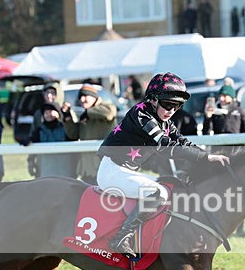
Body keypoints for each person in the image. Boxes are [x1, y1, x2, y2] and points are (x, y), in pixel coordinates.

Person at [96, 72, 229, 256]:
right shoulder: (141, 112)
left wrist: (207, 156)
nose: (171, 111)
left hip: (125, 171)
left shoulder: (164, 121)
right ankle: (121, 238)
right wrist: (203, 158)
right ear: (153, 100)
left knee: (168, 186)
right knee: (157, 192)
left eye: (177, 106)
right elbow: (165, 145)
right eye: (167, 105)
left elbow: (181, 141)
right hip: (111, 172)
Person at [63, 83, 117, 185]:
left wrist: (88, 113)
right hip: (87, 170)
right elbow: (73, 135)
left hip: (104, 169)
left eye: (85, 96)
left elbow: (110, 112)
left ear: (94, 97)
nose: (82, 99)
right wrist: (67, 118)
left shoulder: (106, 107)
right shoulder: (85, 115)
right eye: (80, 97)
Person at [30, 102, 76, 178]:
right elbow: (32, 146)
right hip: (46, 171)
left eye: (51, 112)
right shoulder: (39, 130)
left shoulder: (65, 128)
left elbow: (73, 136)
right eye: (46, 112)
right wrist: (31, 163)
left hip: (64, 171)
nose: (49, 115)